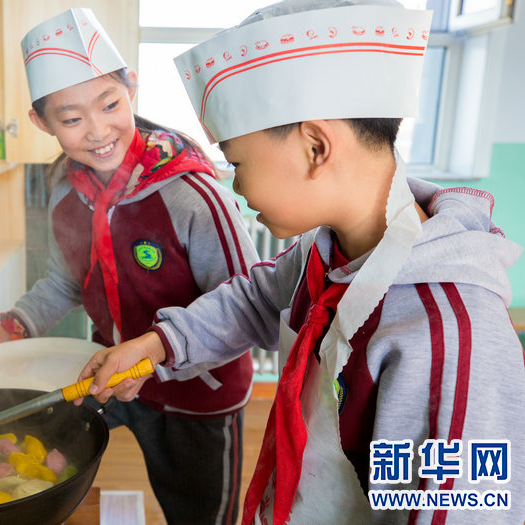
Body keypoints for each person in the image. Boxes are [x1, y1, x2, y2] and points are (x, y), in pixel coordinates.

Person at [78, 0, 525, 523]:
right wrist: (154, 346)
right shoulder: (326, 250)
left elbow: (460, 509)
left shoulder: (446, 335)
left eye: (236, 162)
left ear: (316, 147)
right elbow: (255, 299)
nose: (237, 187)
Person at [0, 8, 259, 524]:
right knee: (41, 447)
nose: (97, 131)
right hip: (110, 376)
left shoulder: (192, 194)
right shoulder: (65, 190)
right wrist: (9, 330)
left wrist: (153, 359)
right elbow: (64, 281)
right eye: (71, 119)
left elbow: (246, 307)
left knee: (198, 514)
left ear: (132, 88)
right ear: (41, 122)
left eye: (110, 104)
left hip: (197, 394)